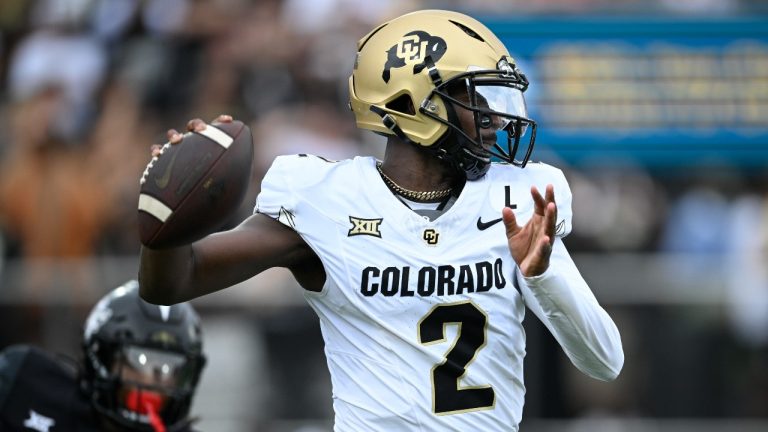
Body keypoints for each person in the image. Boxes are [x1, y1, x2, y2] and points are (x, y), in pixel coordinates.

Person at [139, 9, 624, 431]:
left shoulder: (514, 200)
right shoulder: (326, 200)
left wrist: (540, 276)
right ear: (412, 105)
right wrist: (166, 216)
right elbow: (172, 282)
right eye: (476, 99)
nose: (496, 119)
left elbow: (604, 361)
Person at [0, 280, 207, 432]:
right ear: (101, 357)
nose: (152, 381)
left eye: (169, 368)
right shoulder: (24, 386)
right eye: (139, 362)